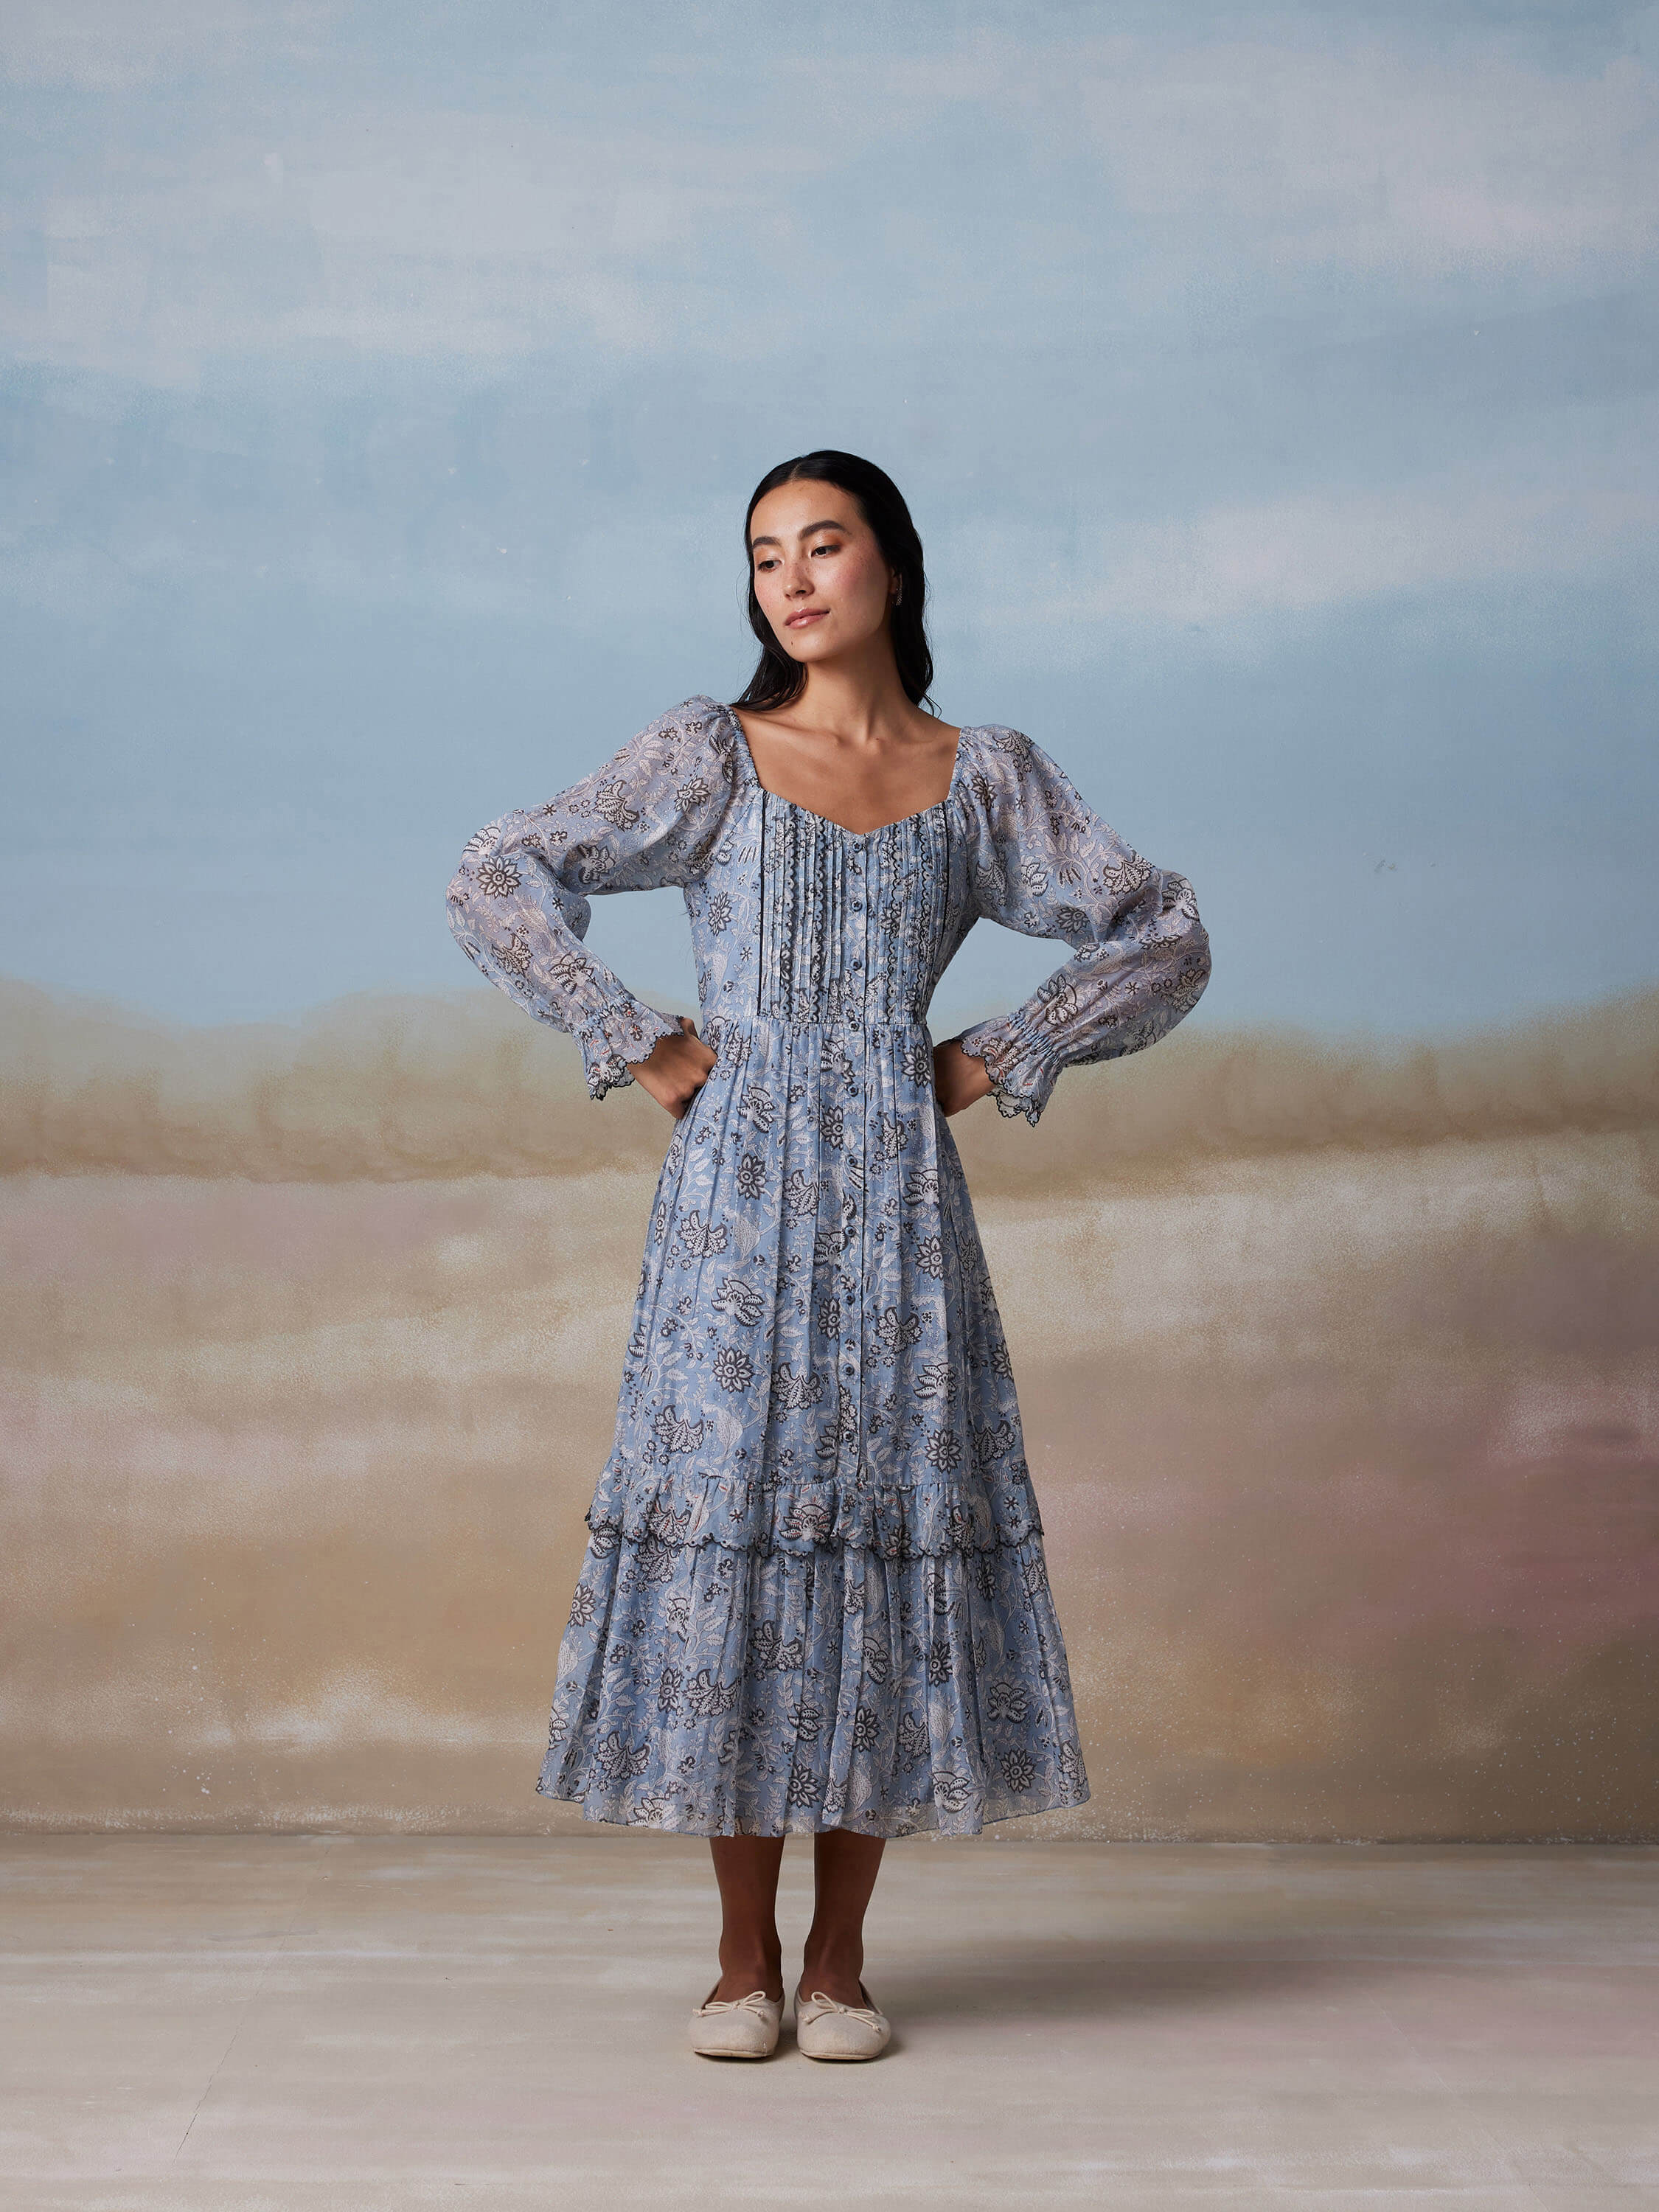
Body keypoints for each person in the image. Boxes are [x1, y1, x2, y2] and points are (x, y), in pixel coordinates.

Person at [445, 451, 1211, 2062]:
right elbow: (498, 871)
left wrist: (999, 1051)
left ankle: (843, 1963)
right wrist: (634, 1035)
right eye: (763, 555)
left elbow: (1163, 929)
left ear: (893, 568)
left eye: (823, 545)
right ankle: (742, 1963)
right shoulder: (708, 756)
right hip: (733, 1207)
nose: (790, 580)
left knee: (879, 1530)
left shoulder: (984, 777)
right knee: (739, 1526)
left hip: (901, 1213)